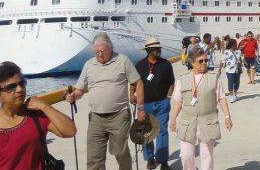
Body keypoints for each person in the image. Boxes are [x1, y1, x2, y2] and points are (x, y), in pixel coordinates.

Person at [0, 61, 76, 169]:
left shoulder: (36, 116)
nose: (20, 89)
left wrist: (45, 106)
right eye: (11, 87)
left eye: (22, 83)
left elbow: (70, 131)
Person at [66, 33, 146, 170]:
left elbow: (138, 83)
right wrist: (73, 95)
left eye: (103, 51)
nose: (100, 55)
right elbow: (80, 90)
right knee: (93, 158)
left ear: (111, 48)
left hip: (119, 115)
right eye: (97, 52)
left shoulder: (122, 60)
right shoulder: (89, 65)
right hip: (96, 118)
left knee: (119, 151)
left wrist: (140, 108)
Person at [169, 47, 233, 170]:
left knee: (207, 155)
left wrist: (227, 117)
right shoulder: (182, 79)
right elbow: (178, 101)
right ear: (192, 62)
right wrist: (173, 119)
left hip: (208, 121)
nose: (204, 63)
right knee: (186, 155)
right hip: (188, 123)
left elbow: (221, 98)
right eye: (200, 61)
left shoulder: (214, 78)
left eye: (206, 60)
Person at [131, 37, 175, 169]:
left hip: (162, 103)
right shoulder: (139, 65)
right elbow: (133, 84)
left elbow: (171, 83)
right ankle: (150, 158)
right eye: (156, 48)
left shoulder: (166, 64)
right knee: (146, 131)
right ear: (148, 50)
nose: (159, 50)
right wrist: (131, 95)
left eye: (159, 48)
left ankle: (163, 160)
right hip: (145, 104)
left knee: (162, 131)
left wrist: (168, 98)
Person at [221, 38, 242, 103]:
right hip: (229, 70)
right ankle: (232, 96)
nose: (237, 45)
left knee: (237, 82)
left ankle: (235, 94)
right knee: (230, 83)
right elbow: (222, 60)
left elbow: (240, 59)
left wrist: (241, 66)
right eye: (236, 44)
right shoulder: (226, 52)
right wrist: (219, 69)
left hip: (237, 70)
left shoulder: (238, 51)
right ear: (232, 45)